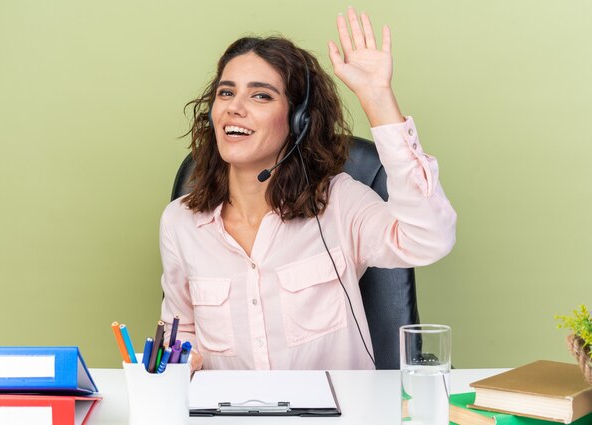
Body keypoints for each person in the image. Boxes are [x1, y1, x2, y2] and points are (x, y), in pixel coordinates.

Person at [159, 7, 456, 371]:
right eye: (226, 92)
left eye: (261, 96)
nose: (234, 108)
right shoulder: (180, 222)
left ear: (298, 121)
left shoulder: (339, 202)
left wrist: (377, 97)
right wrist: (179, 362)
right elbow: (181, 330)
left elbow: (431, 239)